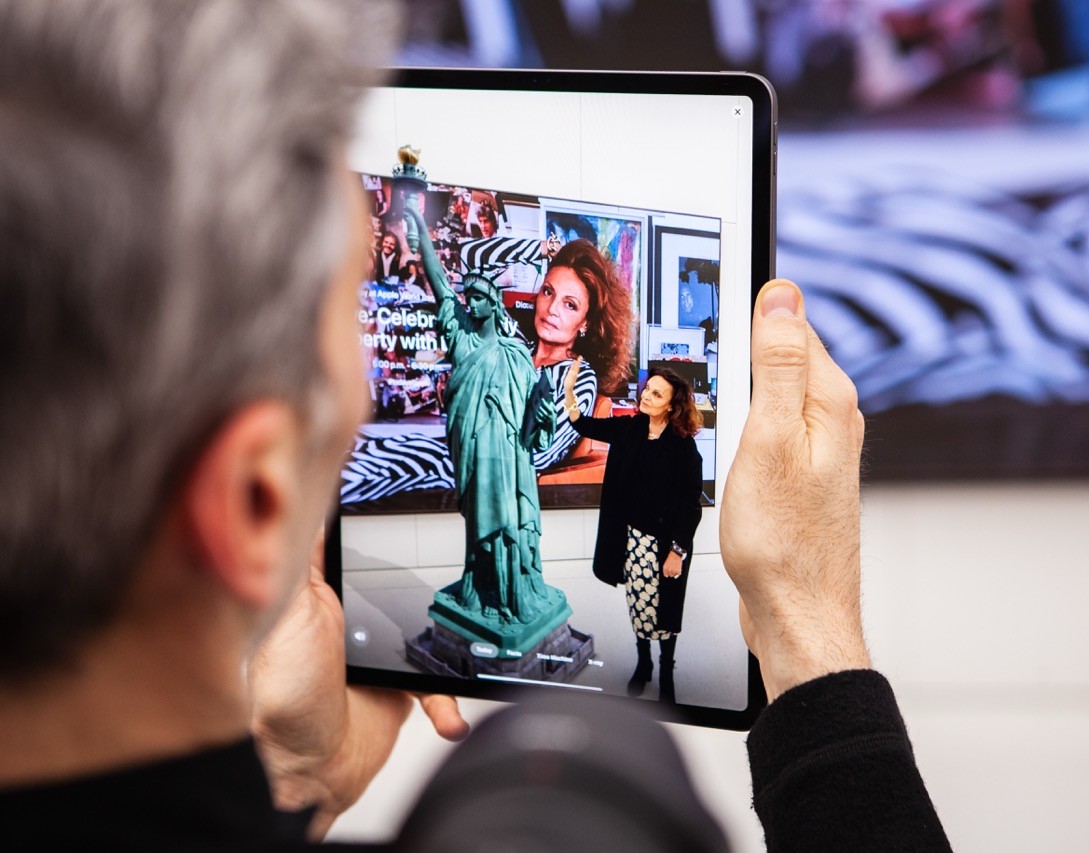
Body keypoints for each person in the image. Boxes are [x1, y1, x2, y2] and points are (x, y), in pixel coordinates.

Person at [0, 1, 951, 849]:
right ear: (252, 498)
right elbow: (452, 291)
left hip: (512, 470)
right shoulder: (475, 330)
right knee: (498, 540)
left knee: (511, 543)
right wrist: (815, 637)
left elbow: (557, 417)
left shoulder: (551, 367)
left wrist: (294, 784)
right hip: (489, 462)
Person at [340, 232, 634, 506]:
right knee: (352, 449)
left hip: (482, 474)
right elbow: (471, 257)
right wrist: (545, 249)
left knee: (352, 476)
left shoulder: (578, 377)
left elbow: (539, 451)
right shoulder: (513, 343)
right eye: (548, 292)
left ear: (585, 322)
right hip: (449, 448)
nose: (553, 308)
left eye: (570, 304)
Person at [423, 261, 559, 623]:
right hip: (478, 455)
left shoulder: (516, 355)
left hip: (512, 460)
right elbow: (438, 281)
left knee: (513, 524)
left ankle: (514, 593)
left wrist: (545, 416)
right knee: (483, 523)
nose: (473, 305)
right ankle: (484, 588)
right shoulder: (463, 343)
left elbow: (537, 419)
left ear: (496, 302)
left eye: (481, 298)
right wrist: (419, 223)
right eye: (469, 297)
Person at [565, 363, 704, 703]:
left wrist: (677, 551)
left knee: (667, 611)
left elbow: (691, 503)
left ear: (671, 405)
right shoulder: (629, 428)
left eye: (657, 394)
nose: (647, 396)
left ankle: (666, 668)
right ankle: (644, 664)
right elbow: (582, 423)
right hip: (631, 539)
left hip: (666, 543)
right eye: (647, 389)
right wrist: (570, 389)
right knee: (639, 604)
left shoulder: (683, 446)